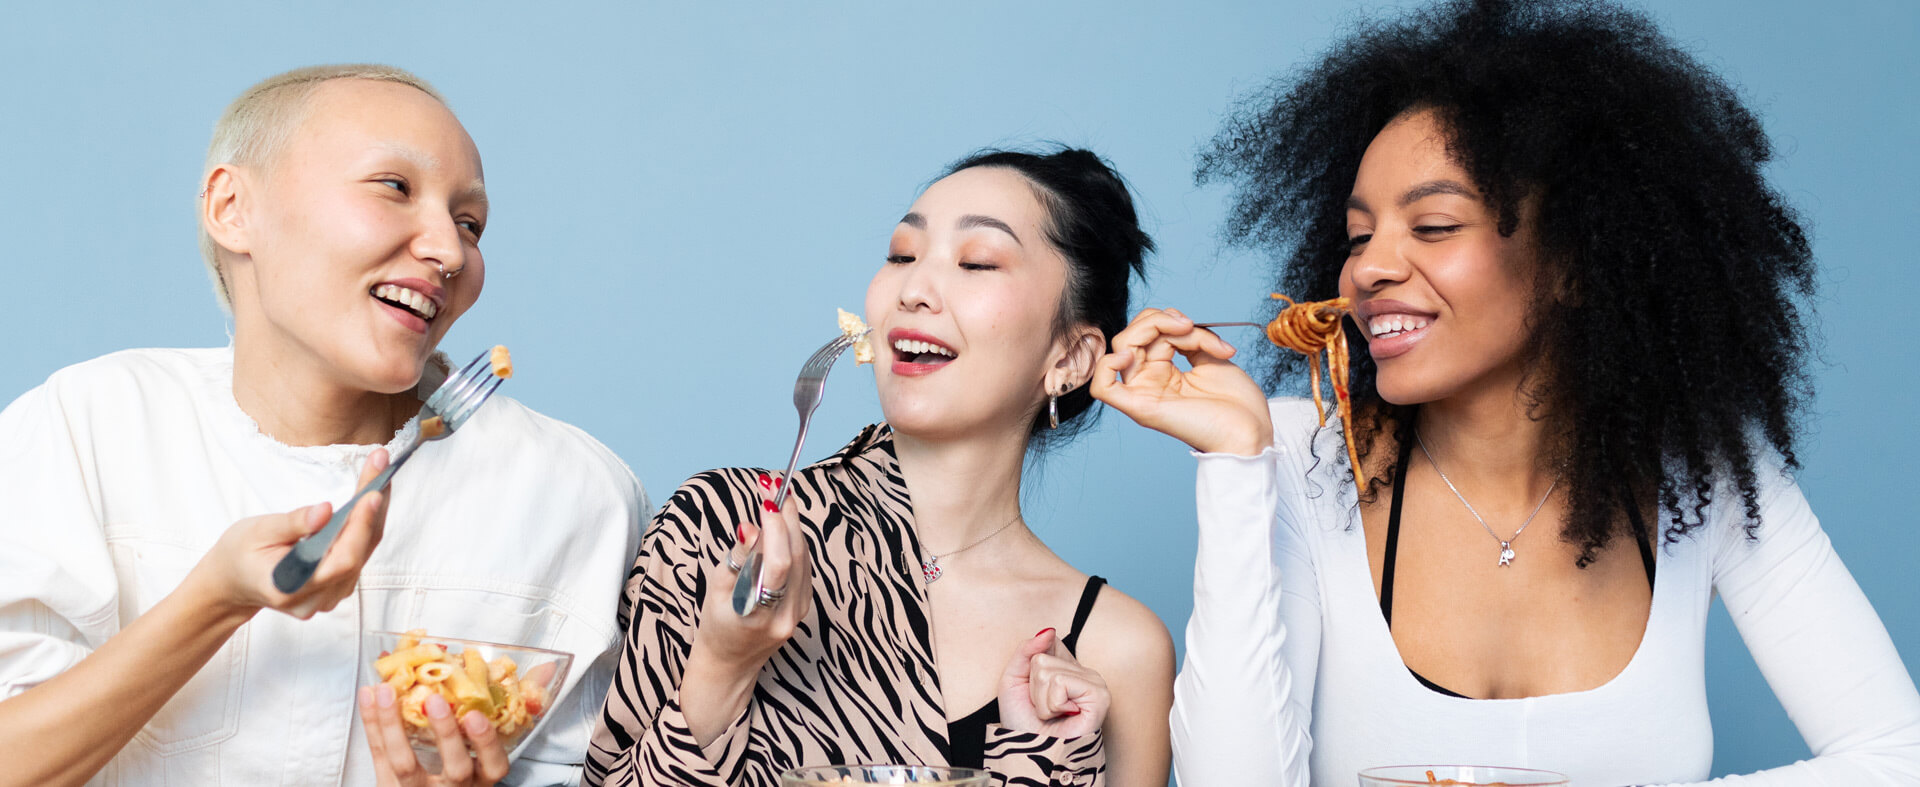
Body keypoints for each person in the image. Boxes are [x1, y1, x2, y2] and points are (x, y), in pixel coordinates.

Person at [1092, 0, 1920, 784]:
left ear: (1574, 260)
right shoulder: (1297, 455)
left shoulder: (1702, 475)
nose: (1369, 267)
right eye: (1357, 235)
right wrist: (1238, 465)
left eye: (1434, 226)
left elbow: (1897, 756)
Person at [0, 64, 644, 787]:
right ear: (233, 206)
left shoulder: (578, 493)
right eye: (395, 188)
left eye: (471, 223)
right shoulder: (80, 430)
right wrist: (215, 598)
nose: (450, 250)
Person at [585, 148, 1174, 787]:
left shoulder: (1119, 649)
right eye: (901, 255)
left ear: (1071, 356)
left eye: (976, 262)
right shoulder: (723, 526)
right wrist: (722, 666)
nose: (914, 290)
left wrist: (1033, 763)